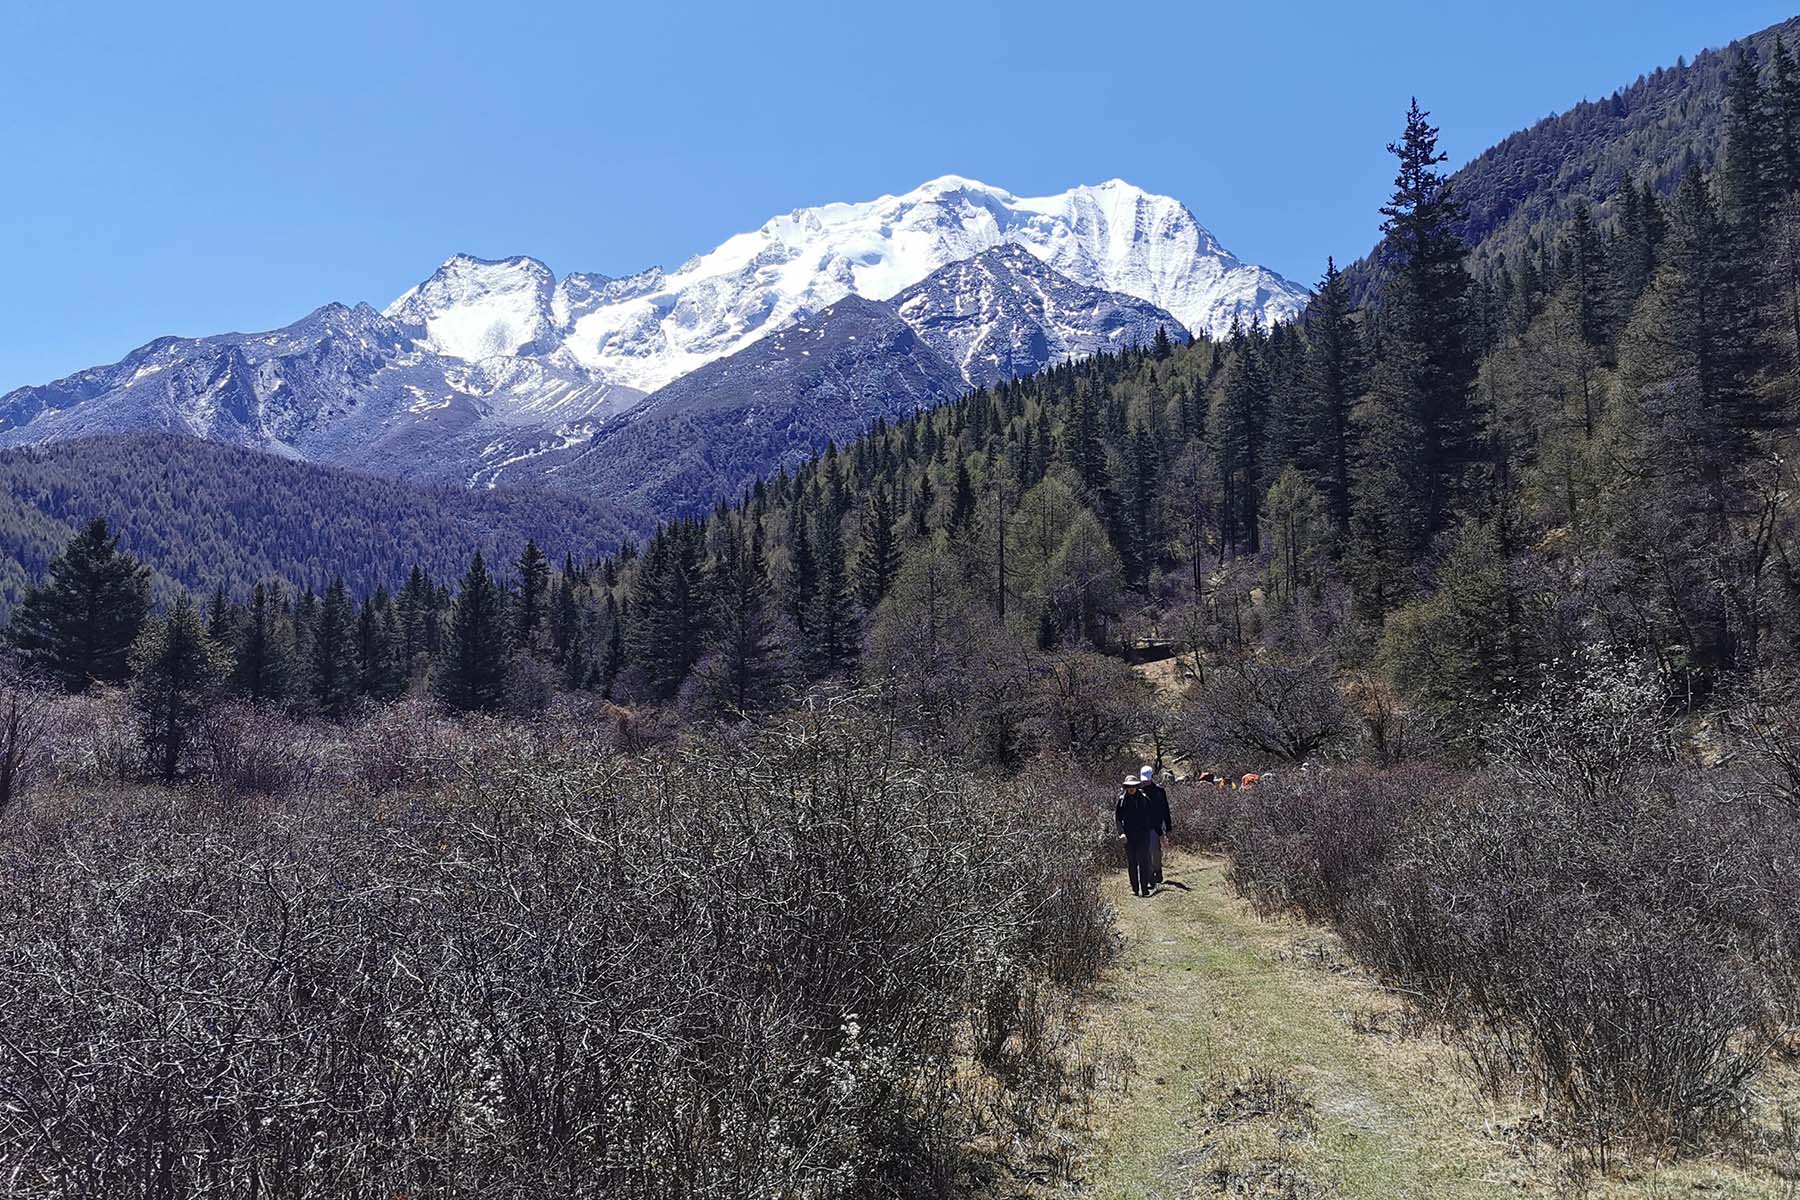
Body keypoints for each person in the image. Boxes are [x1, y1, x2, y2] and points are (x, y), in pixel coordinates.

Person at [1116, 775, 1158, 897]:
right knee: (1132, 862)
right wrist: (1121, 833)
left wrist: (1151, 830)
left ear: (1137, 786)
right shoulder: (1121, 800)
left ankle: (1144, 888)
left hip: (1143, 835)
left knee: (1144, 861)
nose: (1131, 789)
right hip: (1128, 836)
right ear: (1126, 787)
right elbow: (1118, 819)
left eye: (1133, 786)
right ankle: (1135, 889)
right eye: (1129, 786)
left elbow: (1151, 816)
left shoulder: (1145, 799)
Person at [1140, 765, 1172, 886]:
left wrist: (1168, 827)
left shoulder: (1159, 791)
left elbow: (1165, 810)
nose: (1145, 782)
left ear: (1152, 777)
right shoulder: (1138, 791)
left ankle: (1157, 871)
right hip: (1141, 827)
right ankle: (1149, 874)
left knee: (1154, 851)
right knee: (1145, 852)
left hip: (1155, 826)